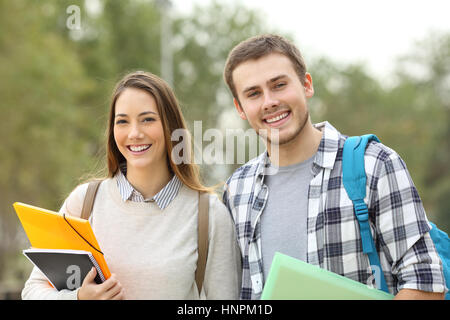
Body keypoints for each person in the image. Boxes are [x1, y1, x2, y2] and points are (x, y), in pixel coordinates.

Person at [222, 34, 446, 300]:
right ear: (240, 108)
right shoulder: (237, 189)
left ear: (306, 85)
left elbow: (425, 283)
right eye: (254, 93)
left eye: (279, 85)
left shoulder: (375, 164)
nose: (269, 101)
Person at [22, 71, 241, 300]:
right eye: (122, 122)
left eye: (147, 119)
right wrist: (78, 297)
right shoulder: (84, 202)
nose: (134, 133)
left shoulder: (209, 215)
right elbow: (32, 291)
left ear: (171, 127)